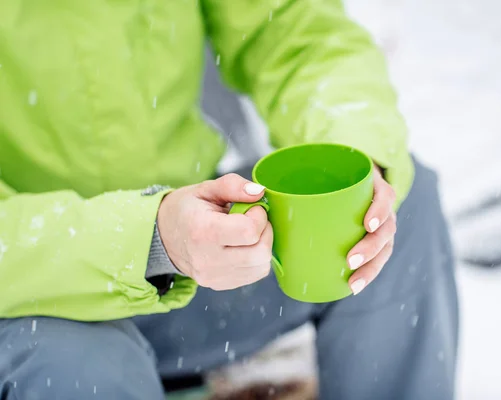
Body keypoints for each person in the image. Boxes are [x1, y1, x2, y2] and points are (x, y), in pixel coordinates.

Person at [0, 1, 459, 399]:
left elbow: (292, 30)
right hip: (33, 301)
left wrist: (356, 159)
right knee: (88, 373)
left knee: (398, 210)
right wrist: (150, 238)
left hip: (196, 266)